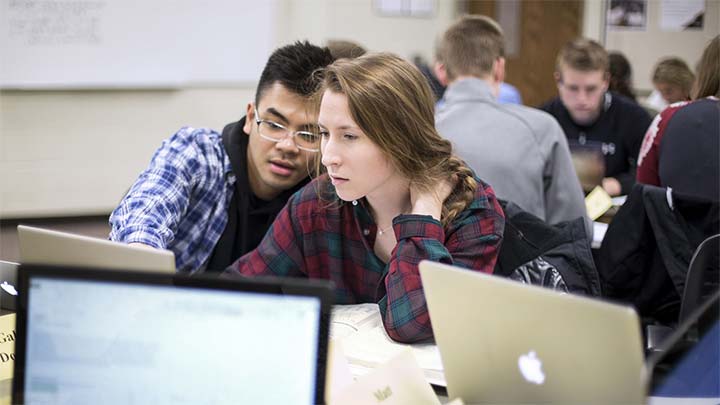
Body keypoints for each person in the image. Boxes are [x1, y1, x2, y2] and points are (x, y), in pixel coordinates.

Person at [225, 53, 505, 343]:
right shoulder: (317, 204)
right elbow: (238, 291)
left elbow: (412, 324)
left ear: (401, 139)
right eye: (323, 133)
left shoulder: (471, 212)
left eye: (349, 137)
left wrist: (424, 213)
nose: (329, 156)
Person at [109, 41, 334, 273]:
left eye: (308, 134)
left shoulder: (321, 195)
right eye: (274, 125)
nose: (287, 146)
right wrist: (142, 253)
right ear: (249, 117)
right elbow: (146, 211)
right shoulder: (198, 153)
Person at [434, 15, 588, 231]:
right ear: (500, 68)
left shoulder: (421, 131)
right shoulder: (542, 129)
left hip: (434, 263)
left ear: (440, 71)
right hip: (520, 263)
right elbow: (576, 227)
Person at [540, 38, 652, 196]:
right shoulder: (543, 119)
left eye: (591, 89)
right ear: (558, 80)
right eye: (573, 88)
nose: (582, 99)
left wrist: (617, 185)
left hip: (614, 209)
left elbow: (652, 172)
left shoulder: (634, 117)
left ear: (606, 81)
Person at [637, 36, 719, 201]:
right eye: (661, 92)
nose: (664, 97)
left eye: (668, 91)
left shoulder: (669, 117)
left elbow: (644, 191)